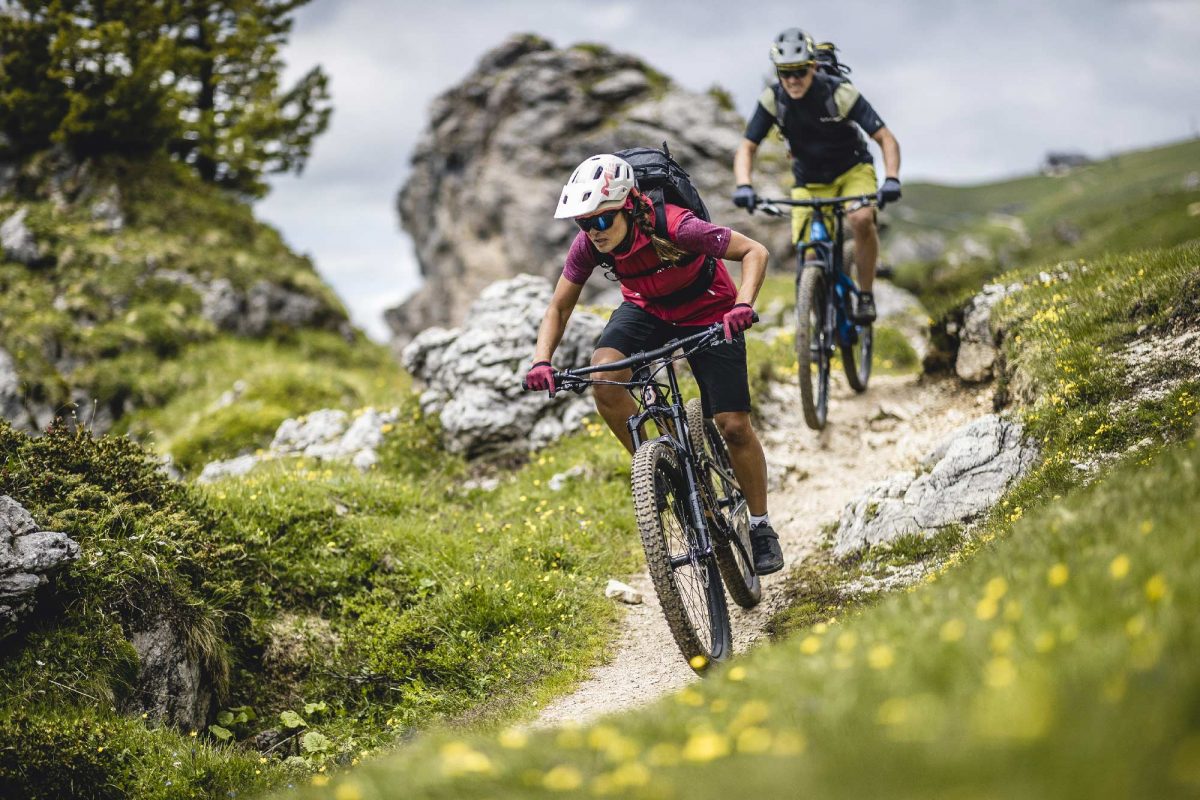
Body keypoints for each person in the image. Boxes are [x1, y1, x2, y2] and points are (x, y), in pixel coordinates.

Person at [524, 153, 785, 575]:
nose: (593, 231)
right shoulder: (589, 245)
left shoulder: (677, 225)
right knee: (605, 378)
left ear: (627, 206)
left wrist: (743, 305)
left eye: (602, 220)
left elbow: (755, 251)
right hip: (647, 311)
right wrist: (541, 360)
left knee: (734, 425)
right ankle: (660, 469)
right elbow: (558, 306)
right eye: (583, 223)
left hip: (709, 308)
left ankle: (760, 526)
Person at [733, 27, 902, 323]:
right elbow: (747, 147)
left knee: (861, 219)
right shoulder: (774, 100)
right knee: (809, 251)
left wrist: (891, 178)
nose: (793, 79)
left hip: (852, 170)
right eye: (786, 73)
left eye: (799, 71)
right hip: (809, 181)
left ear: (812, 66)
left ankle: (864, 294)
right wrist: (744, 185)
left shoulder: (838, 92)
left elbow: (885, 138)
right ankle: (817, 319)